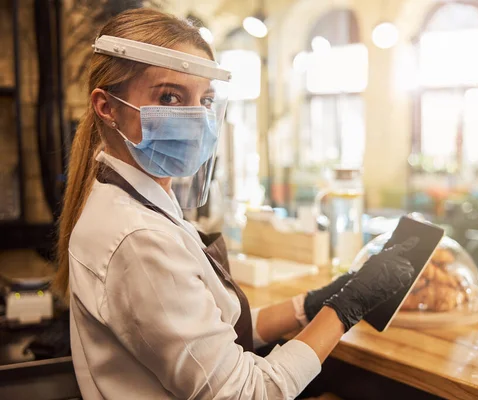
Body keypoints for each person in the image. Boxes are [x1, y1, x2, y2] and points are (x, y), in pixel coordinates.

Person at [53, 8, 414, 400]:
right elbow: (248, 392)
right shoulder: (138, 239)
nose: (195, 117)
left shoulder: (138, 204)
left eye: (205, 99)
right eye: (170, 97)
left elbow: (214, 342)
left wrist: (310, 304)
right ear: (107, 106)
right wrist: (346, 309)